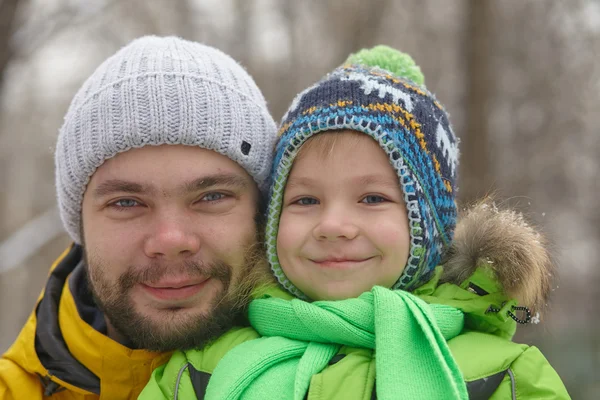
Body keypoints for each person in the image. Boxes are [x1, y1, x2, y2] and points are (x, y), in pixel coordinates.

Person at [143, 46, 570, 399]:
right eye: (306, 199)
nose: (333, 225)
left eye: (372, 198)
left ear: (429, 228)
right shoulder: (198, 370)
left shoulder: (505, 376)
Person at [0, 35, 278, 399]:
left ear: (264, 213)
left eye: (211, 196)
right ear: (79, 224)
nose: (170, 240)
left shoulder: (350, 378)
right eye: (126, 203)